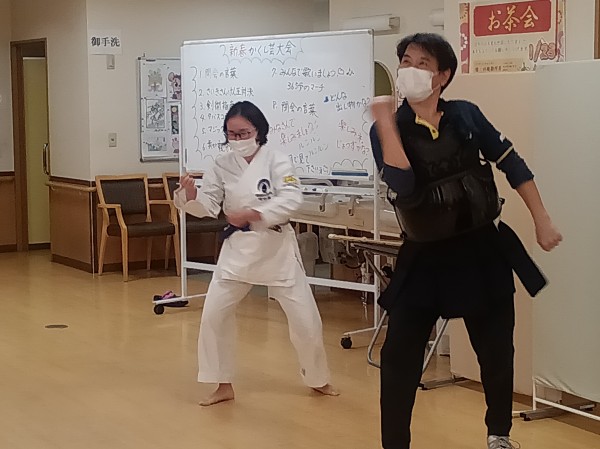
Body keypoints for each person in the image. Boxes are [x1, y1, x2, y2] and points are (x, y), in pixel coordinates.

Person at [369, 33, 562, 449]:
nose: (410, 70)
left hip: (481, 249)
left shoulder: (466, 115)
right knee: (399, 355)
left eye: (422, 63)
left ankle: (499, 434)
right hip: (423, 255)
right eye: (406, 61)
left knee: (496, 349)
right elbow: (403, 183)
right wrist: (384, 121)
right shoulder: (388, 128)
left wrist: (541, 219)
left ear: (443, 76)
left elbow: (512, 163)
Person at [174, 101, 338, 406]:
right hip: (238, 250)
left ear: (258, 131)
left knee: (306, 321)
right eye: (231, 134)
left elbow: (291, 198)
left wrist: (254, 213)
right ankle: (222, 384)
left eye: (243, 133)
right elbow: (209, 205)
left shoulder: (277, 161)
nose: (237, 139)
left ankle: (318, 379)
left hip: (276, 247)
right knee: (214, 316)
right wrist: (192, 194)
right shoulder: (221, 163)